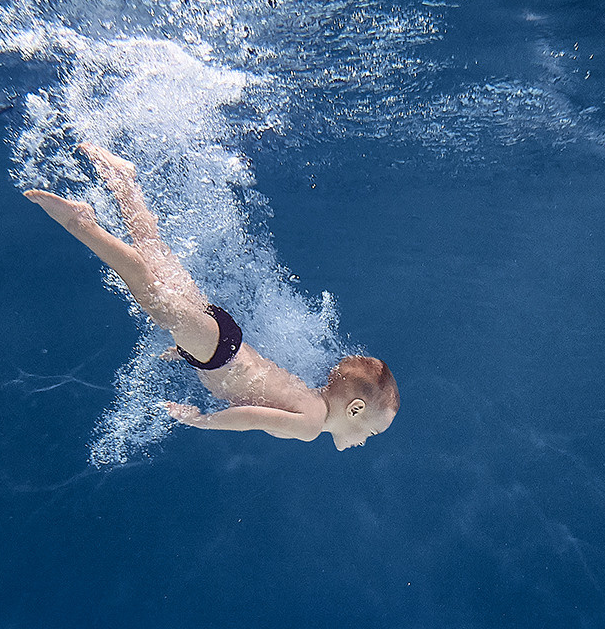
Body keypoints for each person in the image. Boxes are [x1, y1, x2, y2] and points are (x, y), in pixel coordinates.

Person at [24, 143, 399, 450]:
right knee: (148, 288)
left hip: (221, 341)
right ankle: (82, 223)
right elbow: (252, 416)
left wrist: (189, 349)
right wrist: (203, 422)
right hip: (219, 352)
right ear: (355, 409)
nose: (364, 442)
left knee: (155, 255)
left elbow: (256, 380)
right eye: (371, 433)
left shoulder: (309, 399)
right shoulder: (311, 425)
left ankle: (122, 179)